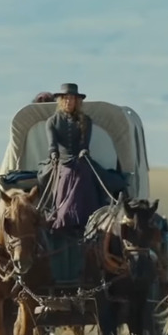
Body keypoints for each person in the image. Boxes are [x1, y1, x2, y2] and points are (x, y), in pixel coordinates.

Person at [44, 83, 118, 232]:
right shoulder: (52, 121)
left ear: (77, 101)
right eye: (65, 98)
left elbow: (84, 144)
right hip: (61, 161)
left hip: (81, 160)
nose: (68, 102)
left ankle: (86, 216)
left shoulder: (85, 120)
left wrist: (83, 152)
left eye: (71, 98)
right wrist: (54, 155)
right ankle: (58, 215)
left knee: (84, 174)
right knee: (57, 176)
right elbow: (52, 145)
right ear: (61, 100)